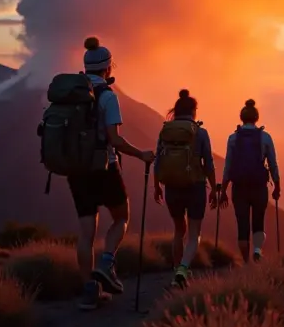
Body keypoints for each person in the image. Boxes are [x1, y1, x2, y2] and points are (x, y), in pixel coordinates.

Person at [69, 36, 155, 311]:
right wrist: (141, 154)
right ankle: (107, 263)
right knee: (121, 217)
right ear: (107, 69)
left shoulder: (71, 94)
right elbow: (114, 140)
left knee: (86, 232)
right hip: (104, 168)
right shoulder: (108, 97)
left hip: (76, 170)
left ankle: (89, 292)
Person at [153, 89, 217, 288]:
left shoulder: (166, 130)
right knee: (194, 233)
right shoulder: (200, 132)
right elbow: (209, 163)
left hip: (172, 187)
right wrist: (214, 188)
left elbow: (158, 161)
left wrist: (156, 186)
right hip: (195, 186)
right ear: (194, 111)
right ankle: (183, 269)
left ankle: (176, 273)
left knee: (178, 230)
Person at [219, 99, 280, 263]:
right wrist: (277, 186)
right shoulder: (265, 137)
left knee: (242, 224)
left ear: (241, 117)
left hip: (239, 187)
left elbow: (228, 166)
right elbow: (273, 164)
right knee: (259, 220)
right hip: (259, 186)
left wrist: (223, 190)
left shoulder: (233, 138)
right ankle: (258, 250)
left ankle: (246, 262)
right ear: (256, 118)